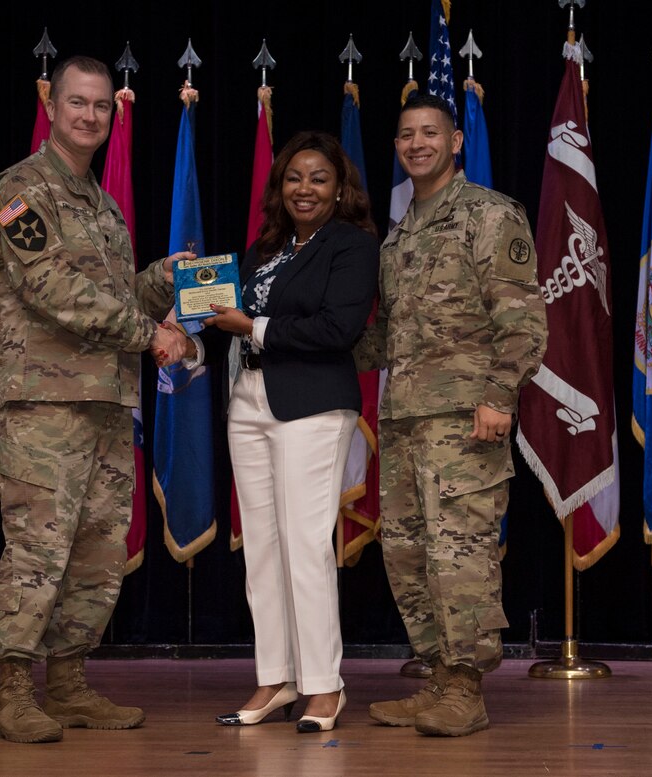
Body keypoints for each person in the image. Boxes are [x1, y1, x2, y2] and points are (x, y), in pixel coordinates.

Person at [0, 54, 190, 744]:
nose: (91, 116)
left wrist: (165, 279)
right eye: (79, 103)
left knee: (97, 551)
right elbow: (55, 292)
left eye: (102, 106)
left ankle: (66, 682)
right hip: (43, 403)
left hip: (102, 402)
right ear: (52, 104)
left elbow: (113, 294)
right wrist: (148, 332)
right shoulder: (18, 194)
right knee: (38, 547)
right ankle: (14, 690)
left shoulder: (102, 206)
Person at [355, 95, 547, 737]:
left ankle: (465, 689)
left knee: (459, 554)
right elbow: (385, 337)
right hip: (405, 420)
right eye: (406, 134)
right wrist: (295, 335)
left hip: (466, 421)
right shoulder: (400, 233)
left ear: (456, 140)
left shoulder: (490, 216)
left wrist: (498, 397)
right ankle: (438, 679)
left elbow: (523, 322)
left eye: (430, 133)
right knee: (408, 555)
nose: (417, 144)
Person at [179, 130, 378, 733]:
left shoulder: (353, 247)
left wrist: (252, 325)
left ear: (340, 186)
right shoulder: (264, 248)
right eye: (294, 177)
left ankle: (323, 686)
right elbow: (222, 319)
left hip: (314, 405)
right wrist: (187, 328)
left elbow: (334, 331)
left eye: (318, 177)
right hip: (249, 400)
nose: (305, 188)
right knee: (262, 547)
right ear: (279, 187)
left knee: (305, 544)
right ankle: (276, 677)